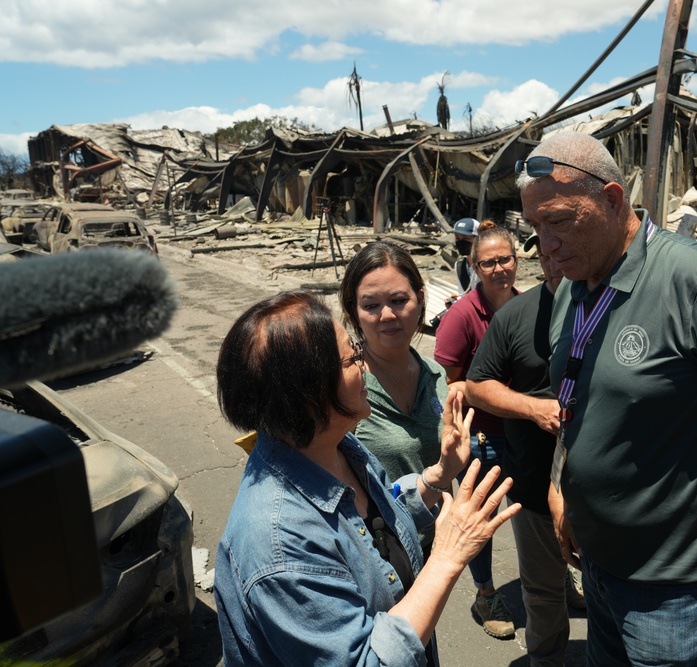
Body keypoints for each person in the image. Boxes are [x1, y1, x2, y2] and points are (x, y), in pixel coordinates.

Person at [516, 132, 697, 666]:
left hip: (677, 594)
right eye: (535, 227)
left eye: (559, 221)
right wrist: (562, 486)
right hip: (598, 571)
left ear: (612, 200)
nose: (546, 245)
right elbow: (576, 398)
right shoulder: (574, 286)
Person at [213, 290, 519, 666]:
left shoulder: (337, 447)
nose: (364, 366)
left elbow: (374, 513)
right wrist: (447, 555)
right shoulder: (279, 540)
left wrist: (436, 479)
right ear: (310, 394)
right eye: (351, 358)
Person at [465, 232, 581, 666]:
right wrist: (533, 409)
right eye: (545, 251)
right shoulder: (515, 315)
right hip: (533, 484)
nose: (554, 258)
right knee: (543, 591)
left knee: (613, 586)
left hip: (602, 489)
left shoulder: (611, 306)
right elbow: (476, 385)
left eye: (562, 246)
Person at [434, 219, 520, 639]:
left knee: (535, 508)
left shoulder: (527, 305)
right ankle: (485, 592)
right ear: (474, 266)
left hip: (524, 432)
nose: (499, 268)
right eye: (489, 262)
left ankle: (557, 575)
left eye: (505, 258)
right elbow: (453, 384)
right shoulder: (463, 315)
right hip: (483, 436)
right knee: (481, 516)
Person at [339, 241, 448, 479]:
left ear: (419, 300)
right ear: (354, 311)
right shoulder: (346, 385)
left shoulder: (436, 374)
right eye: (371, 305)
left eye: (398, 300)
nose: (387, 315)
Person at [453, 217, 480, 295]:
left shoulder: (486, 265)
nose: (461, 242)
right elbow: (463, 295)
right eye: (457, 238)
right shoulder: (459, 266)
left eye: (466, 238)